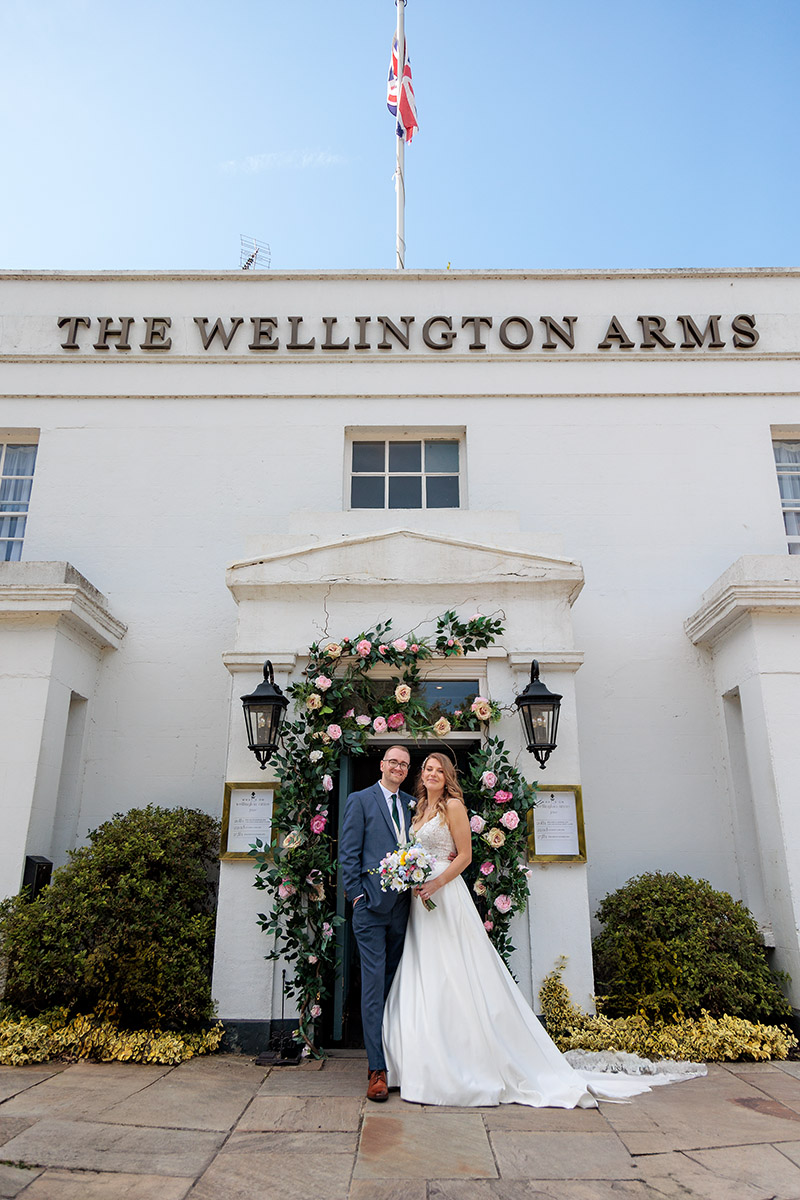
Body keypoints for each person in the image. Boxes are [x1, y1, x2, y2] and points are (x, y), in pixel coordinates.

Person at [382, 753, 683, 1108]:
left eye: (439, 770)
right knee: (423, 970)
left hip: (444, 897)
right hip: (421, 903)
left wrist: (436, 883)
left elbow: (464, 856)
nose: (432, 774)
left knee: (453, 970)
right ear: (423, 777)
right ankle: (418, 1061)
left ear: (448, 777)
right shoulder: (419, 811)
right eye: (428, 770)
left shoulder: (454, 807)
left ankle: (463, 1061)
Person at [339, 744, 414, 1103]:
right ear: (382, 765)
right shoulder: (360, 800)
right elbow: (348, 854)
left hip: (405, 910)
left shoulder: (413, 805)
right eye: (393, 762)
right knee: (372, 987)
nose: (398, 767)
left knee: (397, 984)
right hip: (370, 909)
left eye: (404, 764)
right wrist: (357, 898)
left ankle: (399, 1059)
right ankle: (377, 1069)